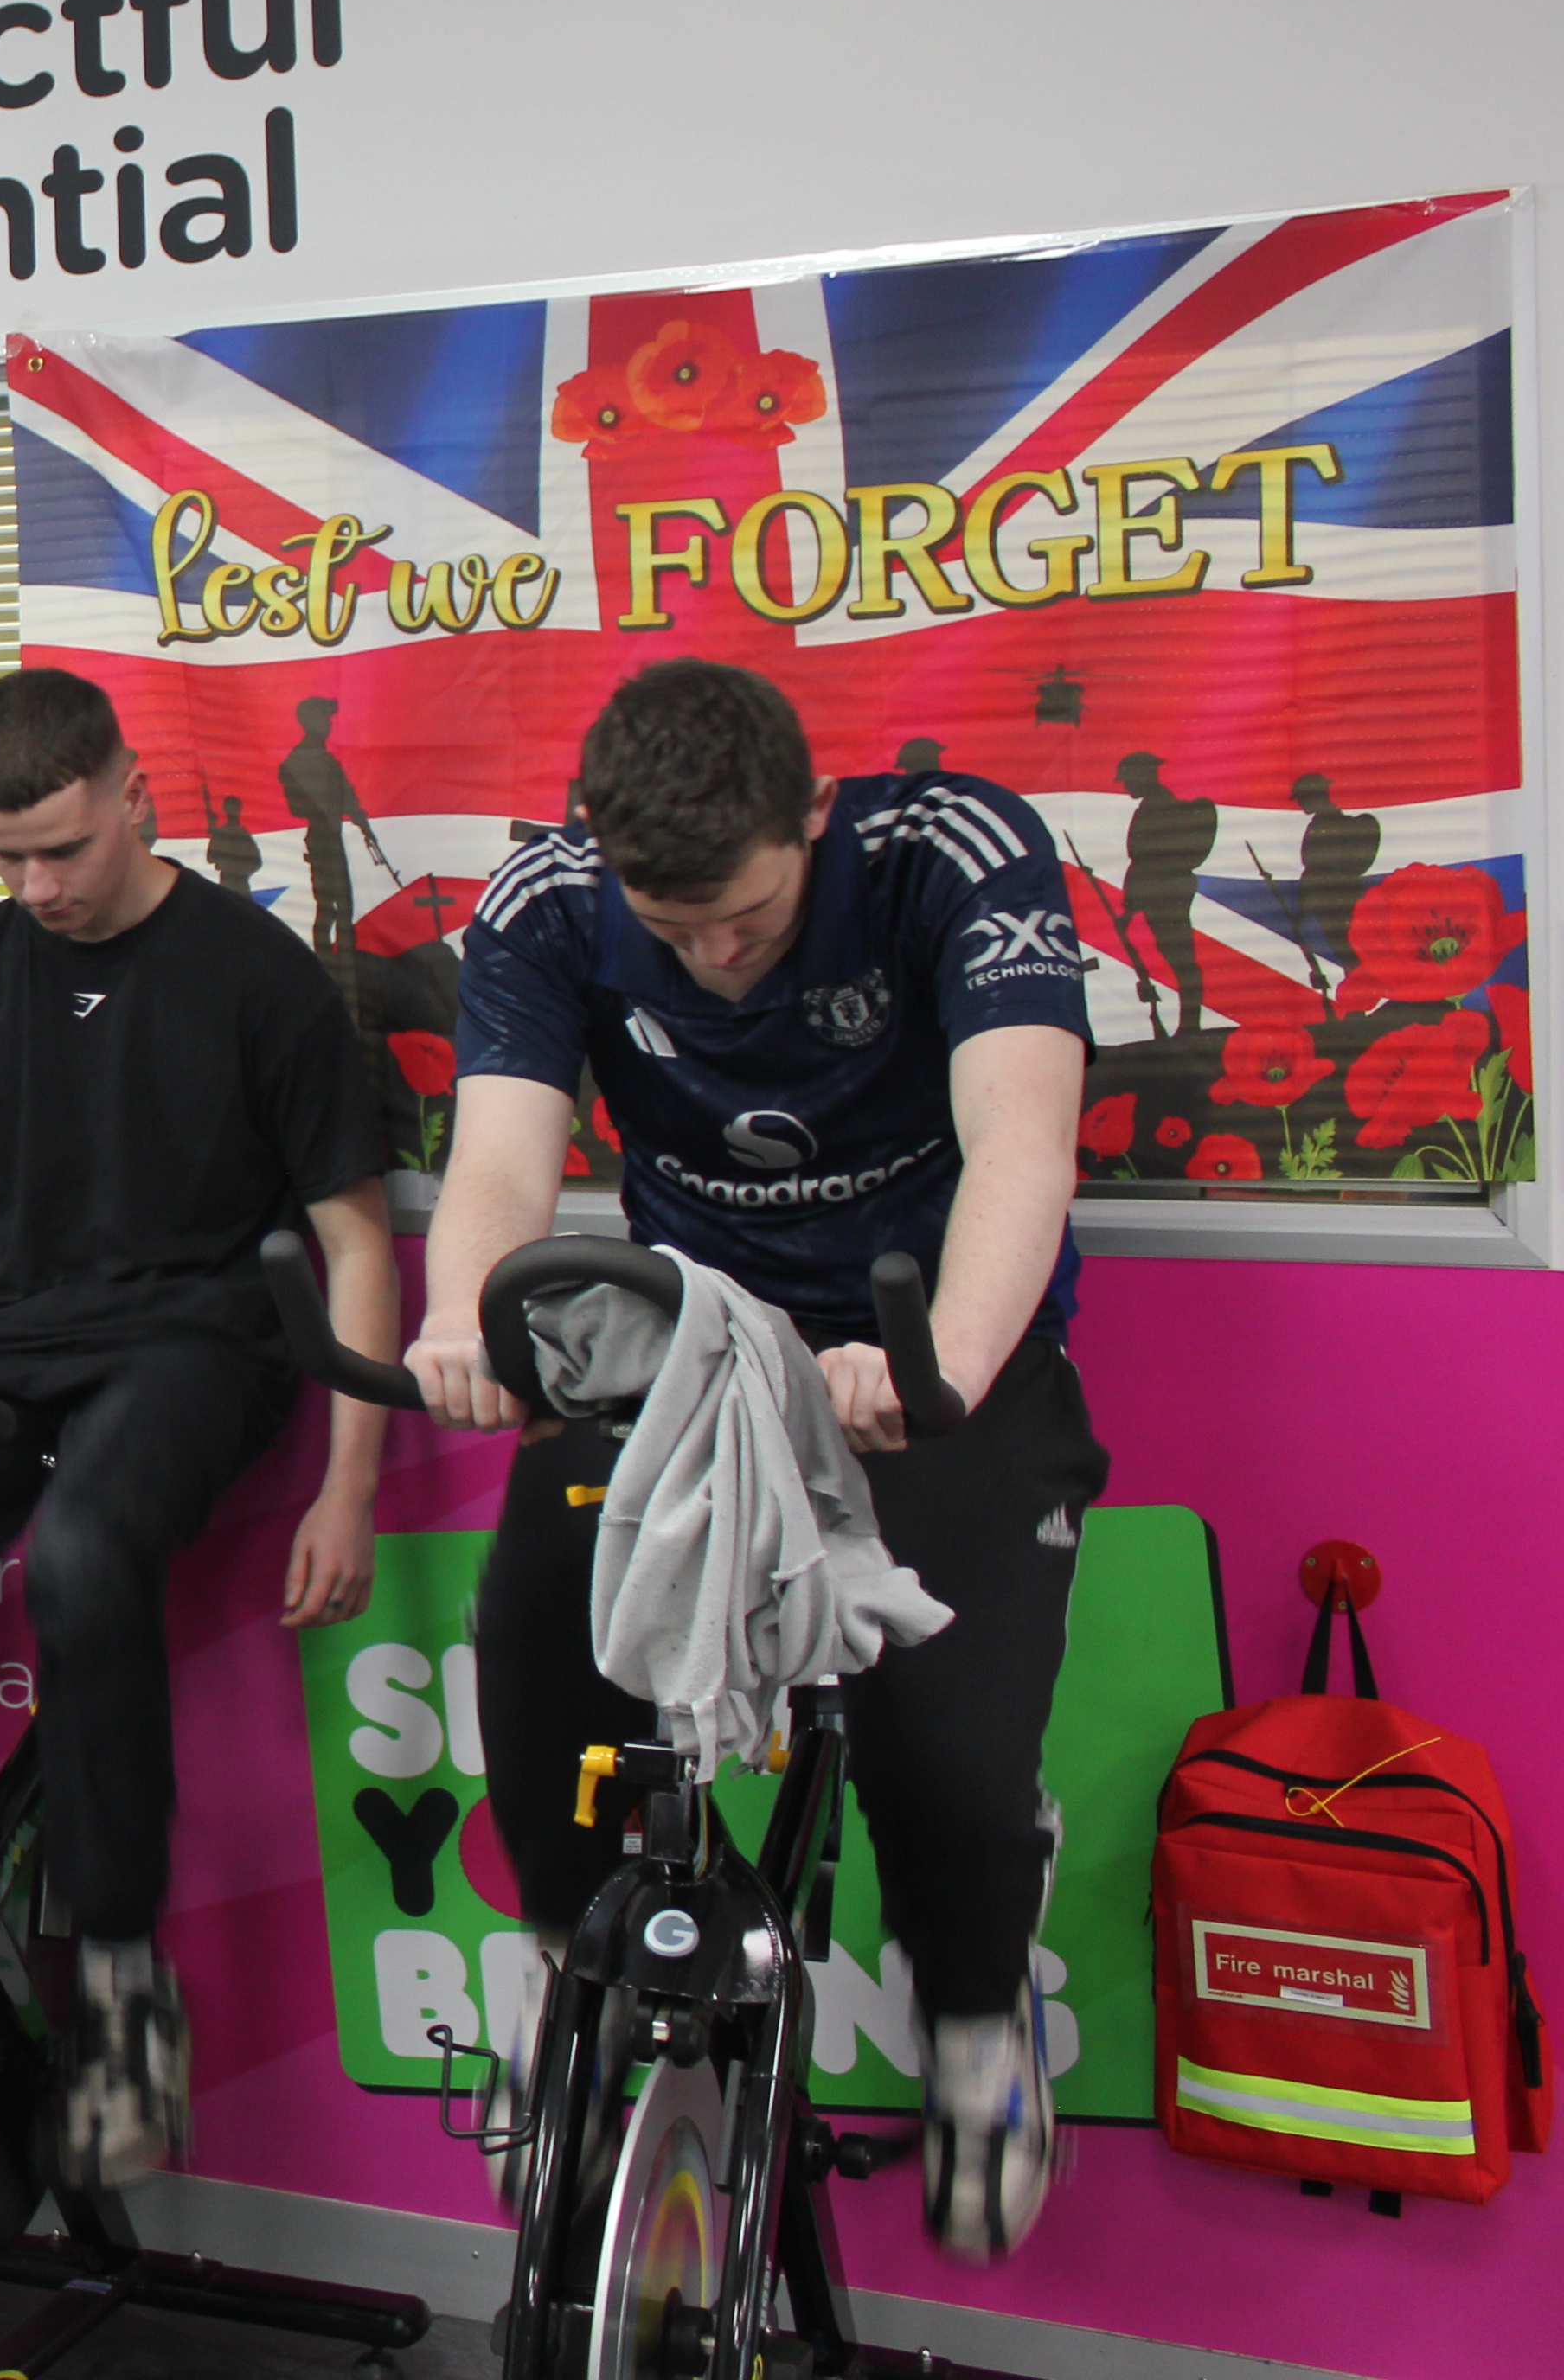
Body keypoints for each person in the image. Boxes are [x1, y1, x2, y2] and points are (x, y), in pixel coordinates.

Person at [416, 657, 1101, 2262]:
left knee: (937, 1743)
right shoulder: (546, 899)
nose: (714, 961)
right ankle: (562, 1984)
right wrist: (466, 1317)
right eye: (674, 934)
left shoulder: (953, 852)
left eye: (744, 917)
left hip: (933, 1347)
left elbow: (1021, 1138)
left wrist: (935, 1360)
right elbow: (501, 1153)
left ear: (812, 811)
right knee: (534, 1628)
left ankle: (976, 2019)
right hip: (695, 1350)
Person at [0, 668, 400, 2187]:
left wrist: (345, 1485)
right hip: (10, 1334)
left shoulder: (255, 974)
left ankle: (113, 1977)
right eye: (4, 860)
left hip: (198, 1339)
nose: (35, 888)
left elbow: (354, 1245)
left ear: (132, 796)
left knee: (83, 1558)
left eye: (62, 852)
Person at [1116, 751, 1215, 1036]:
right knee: (1176, 955)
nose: (1125, 787)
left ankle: (1190, 1025)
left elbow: (1148, 862)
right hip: (1157, 890)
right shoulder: (1152, 806)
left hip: (1164, 892)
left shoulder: (1159, 808)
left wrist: (1131, 906)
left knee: (1180, 956)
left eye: (1128, 780)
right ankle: (1189, 1024)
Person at [279, 694, 383, 956]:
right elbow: (299, 805)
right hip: (322, 838)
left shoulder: (320, 759)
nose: (329, 725)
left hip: (329, 837)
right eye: (324, 719)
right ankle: (328, 961)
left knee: (340, 906)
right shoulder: (301, 760)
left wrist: (359, 821)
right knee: (331, 906)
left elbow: (347, 797)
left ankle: (342, 960)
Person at [1290, 771, 1379, 978]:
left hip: (1335, 902)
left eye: (1302, 798)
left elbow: (1315, 870)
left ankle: (1358, 998)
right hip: (1329, 901)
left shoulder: (1328, 826)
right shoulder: (1323, 824)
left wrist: (1303, 908)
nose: (1300, 804)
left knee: (1349, 954)